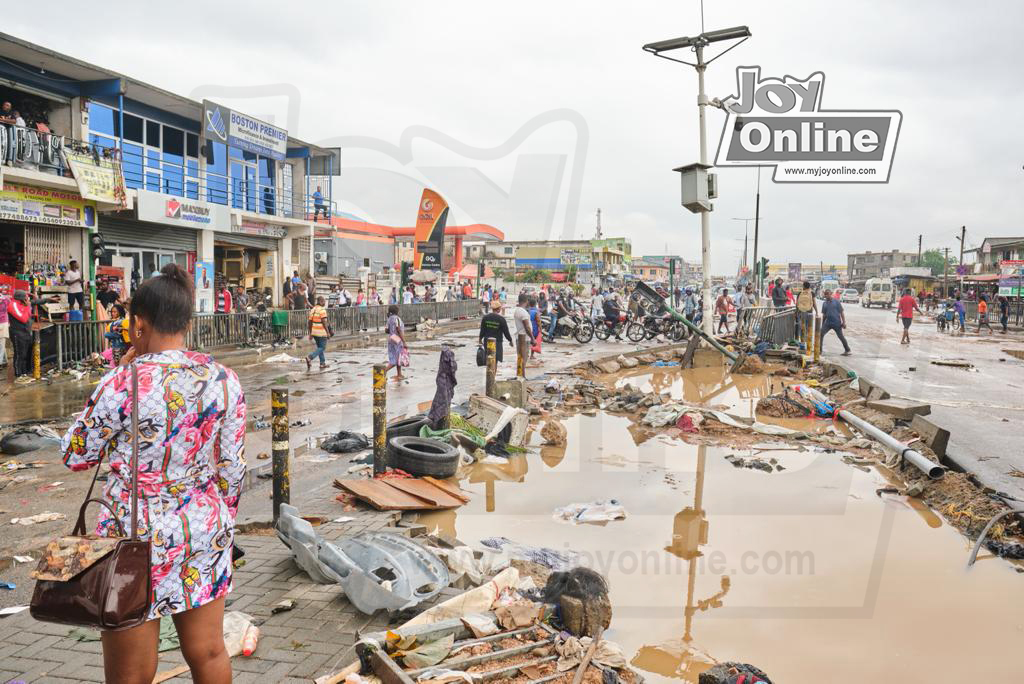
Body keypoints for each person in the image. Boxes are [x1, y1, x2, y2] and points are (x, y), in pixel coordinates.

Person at [60, 264, 245, 684]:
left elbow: (76, 454)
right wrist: (221, 521)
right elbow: (232, 468)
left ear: (138, 324)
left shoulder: (124, 382)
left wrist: (116, 372)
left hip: (133, 538)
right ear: (187, 323)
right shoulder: (224, 380)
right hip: (202, 528)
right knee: (210, 651)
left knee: (132, 674)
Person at [7, 290, 33, 379]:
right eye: (26, 297)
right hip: (17, 333)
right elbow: (23, 318)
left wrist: (49, 299)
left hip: (26, 332)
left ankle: (25, 371)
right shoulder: (13, 305)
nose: (28, 298)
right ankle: (18, 373)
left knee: (27, 352)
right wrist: (28, 306)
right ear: (21, 298)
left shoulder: (22, 303)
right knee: (20, 354)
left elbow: (30, 311)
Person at [820, 289, 851, 355]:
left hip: (837, 323)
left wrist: (844, 322)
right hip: (828, 323)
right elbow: (824, 315)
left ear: (830, 294)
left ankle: (847, 350)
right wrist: (822, 324)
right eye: (825, 294)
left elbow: (841, 312)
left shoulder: (836, 302)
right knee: (821, 334)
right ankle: (819, 350)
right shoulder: (824, 303)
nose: (826, 295)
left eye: (827, 294)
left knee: (841, 336)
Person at [306, 296, 332, 370]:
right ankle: (310, 357)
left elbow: (309, 322)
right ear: (321, 301)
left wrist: (310, 333)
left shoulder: (313, 309)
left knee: (319, 348)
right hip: (321, 332)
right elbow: (324, 322)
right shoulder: (322, 310)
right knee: (322, 347)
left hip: (314, 332)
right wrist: (328, 332)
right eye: (324, 301)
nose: (325, 303)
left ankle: (322, 363)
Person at [385, 304, 407, 381]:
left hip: (391, 339)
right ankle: (384, 371)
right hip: (397, 340)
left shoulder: (389, 319)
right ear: (396, 311)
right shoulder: (397, 319)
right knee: (395, 360)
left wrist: (392, 330)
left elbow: (386, 330)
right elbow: (399, 330)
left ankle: (399, 374)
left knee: (398, 358)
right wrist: (404, 342)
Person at [513, 293, 534, 372]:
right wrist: (532, 338)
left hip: (520, 337)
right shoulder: (523, 312)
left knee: (520, 356)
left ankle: (520, 374)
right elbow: (527, 327)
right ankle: (522, 374)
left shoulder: (518, 310)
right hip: (524, 338)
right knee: (524, 357)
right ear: (526, 301)